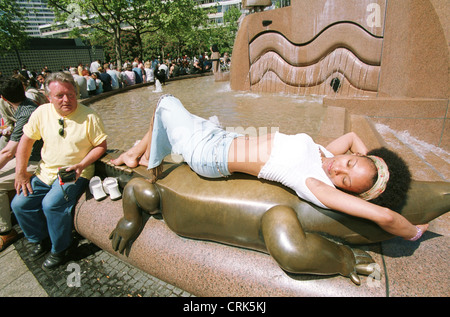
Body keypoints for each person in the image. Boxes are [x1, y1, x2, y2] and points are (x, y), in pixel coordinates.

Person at [110, 95, 428, 242]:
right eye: (349, 162)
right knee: (173, 118)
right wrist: (373, 165)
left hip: (210, 155)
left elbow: (385, 216)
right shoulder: (325, 154)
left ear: (345, 191)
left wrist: (413, 231)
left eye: (345, 180)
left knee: (165, 103)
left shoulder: (316, 183)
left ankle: (145, 162)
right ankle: (133, 154)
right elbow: (354, 137)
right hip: (222, 137)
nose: (337, 169)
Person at [11, 72, 107, 270]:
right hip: (45, 171)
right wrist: (21, 172)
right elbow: (26, 142)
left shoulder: (90, 116)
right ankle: (39, 238)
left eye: (71, 94)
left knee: (52, 204)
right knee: (20, 203)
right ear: (49, 97)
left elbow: (101, 146)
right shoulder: (41, 112)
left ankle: (61, 248)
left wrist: (81, 165)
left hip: (76, 172)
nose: (67, 100)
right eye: (60, 96)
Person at [0, 77, 43, 251]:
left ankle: (6, 231)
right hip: (28, 158)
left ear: (4, 98)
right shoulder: (27, 106)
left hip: (35, 161)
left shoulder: (26, 113)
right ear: (23, 88)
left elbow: (8, 152)